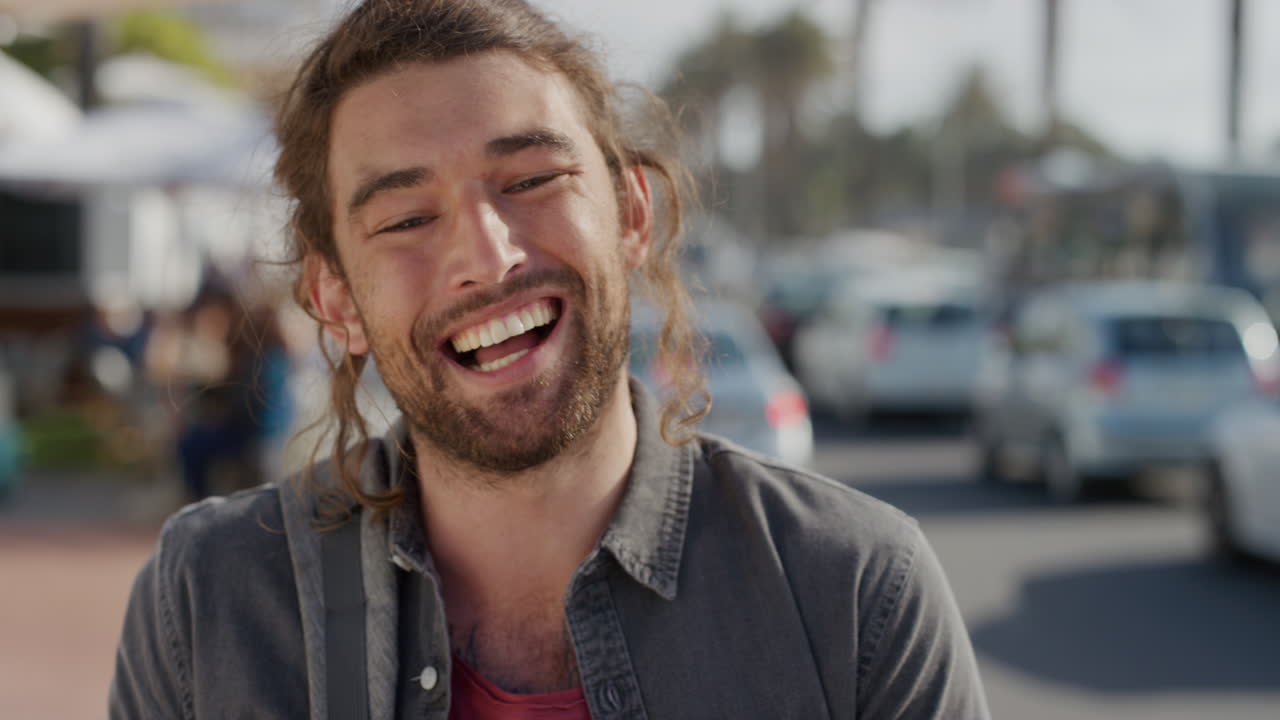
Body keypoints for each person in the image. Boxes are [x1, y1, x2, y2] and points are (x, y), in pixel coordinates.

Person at [110, 1, 991, 718]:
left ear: (633, 213)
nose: (488, 256)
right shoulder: (207, 605)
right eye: (406, 219)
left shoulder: (855, 591)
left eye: (531, 180)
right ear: (335, 297)